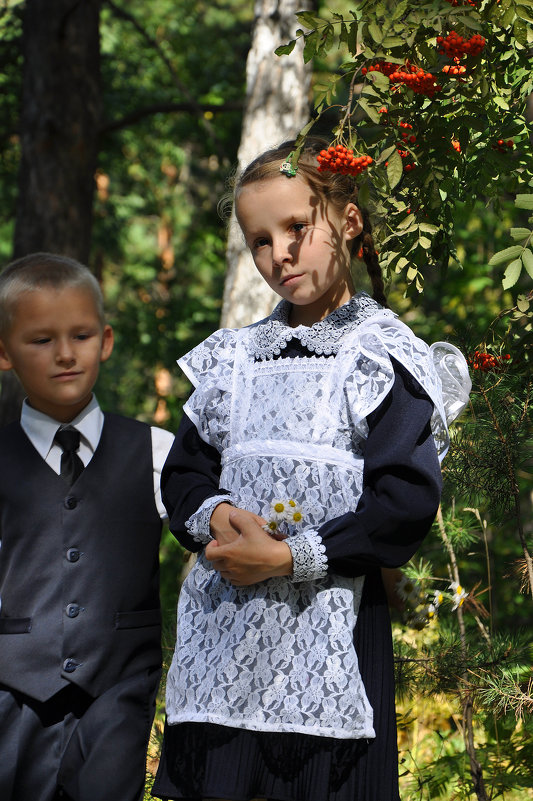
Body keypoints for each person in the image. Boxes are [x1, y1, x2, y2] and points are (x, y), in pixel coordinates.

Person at [153, 138, 471, 801]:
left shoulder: (381, 357)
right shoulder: (233, 360)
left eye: (296, 227)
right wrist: (215, 513)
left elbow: (402, 502)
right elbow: (181, 472)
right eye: (259, 240)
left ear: (348, 222)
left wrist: (285, 556)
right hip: (224, 642)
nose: (279, 254)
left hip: (337, 637)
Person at [0, 252, 174, 801]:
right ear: (3, 352)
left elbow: (218, 539)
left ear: (105, 340)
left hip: (119, 690)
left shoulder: (157, 452)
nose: (66, 354)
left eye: (80, 335)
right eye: (41, 340)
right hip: (10, 694)